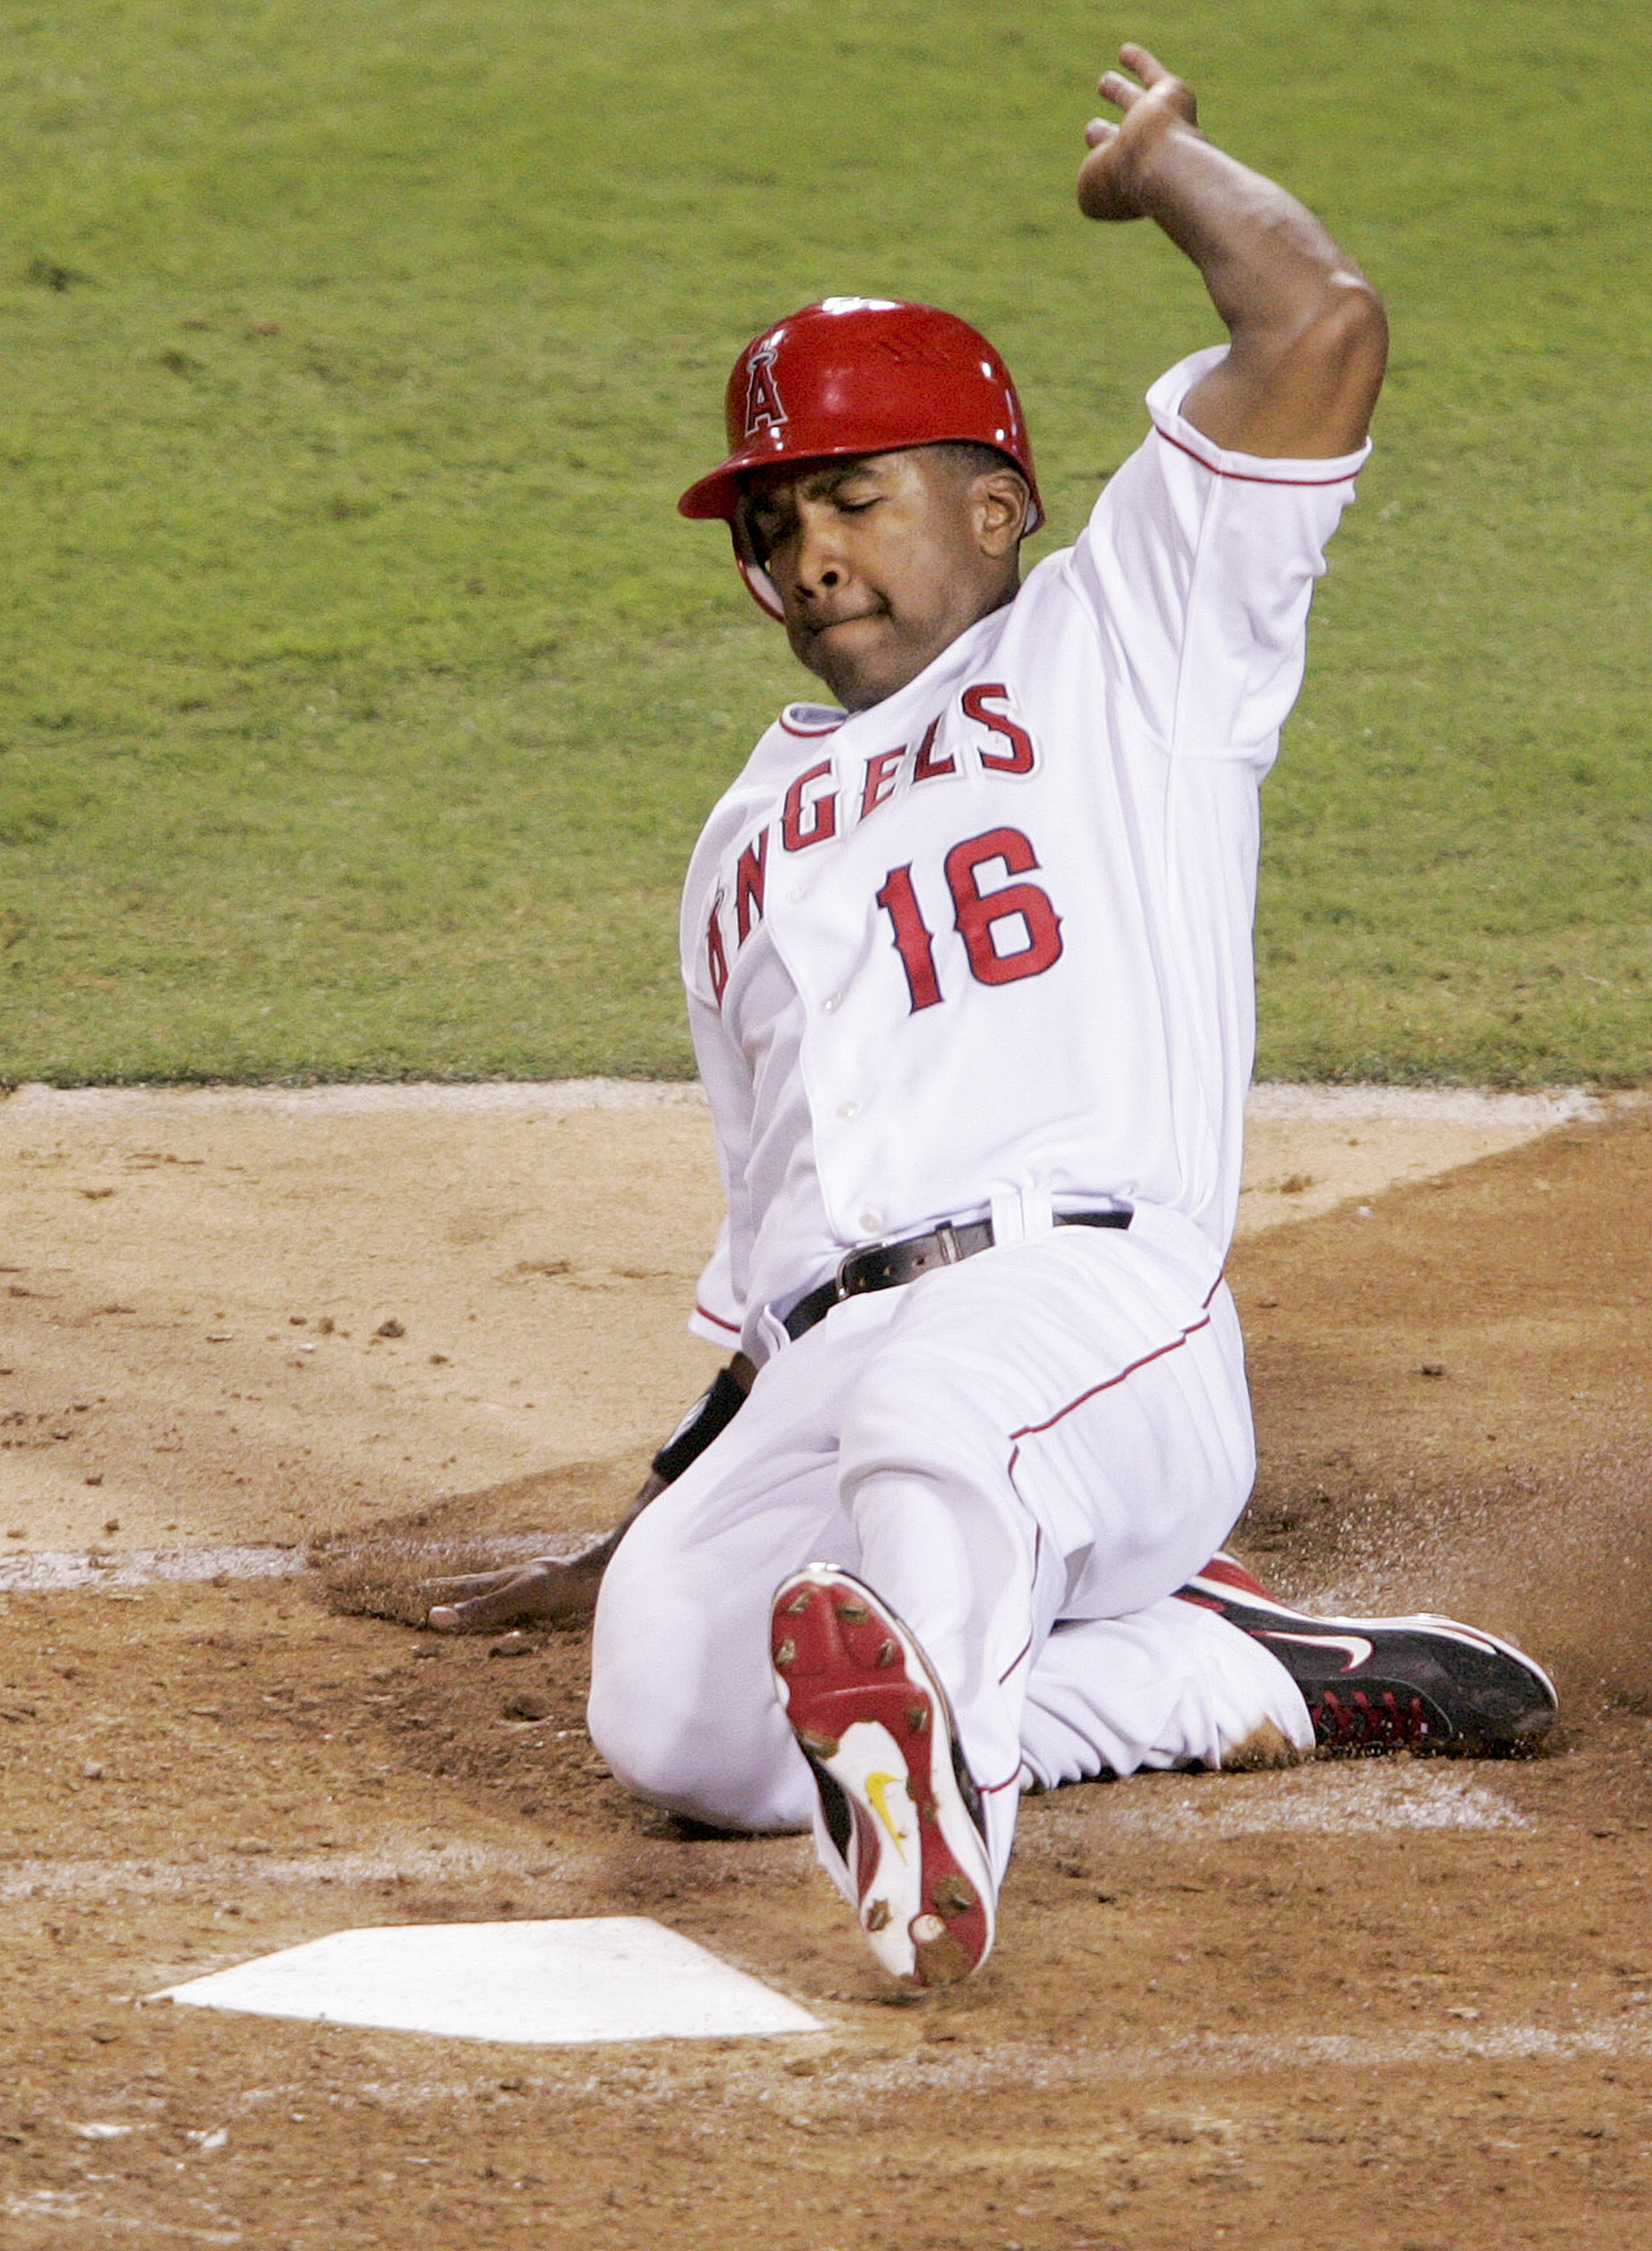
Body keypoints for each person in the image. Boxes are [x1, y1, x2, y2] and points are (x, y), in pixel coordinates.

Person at [427, 46, 1557, 1987]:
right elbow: (771, 1236)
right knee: (671, 1719)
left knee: (951, 1419)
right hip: (831, 1363)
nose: (810, 561)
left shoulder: (1134, 635)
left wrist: (1172, 172)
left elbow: (1323, 331)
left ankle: (942, 1834)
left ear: (1000, 502)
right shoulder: (740, 844)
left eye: (852, 499)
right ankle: (1206, 1669)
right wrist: (643, 1528)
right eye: (770, 530)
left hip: (1088, 1311)